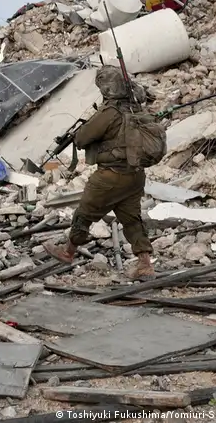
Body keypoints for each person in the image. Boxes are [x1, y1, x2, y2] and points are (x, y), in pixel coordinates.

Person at [44, 65, 157, 280]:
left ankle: (68, 252)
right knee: (131, 219)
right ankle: (145, 264)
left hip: (110, 175)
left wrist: (79, 134)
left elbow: (83, 137)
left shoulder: (110, 112)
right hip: (135, 175)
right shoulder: (135, 109)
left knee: (85, 213)